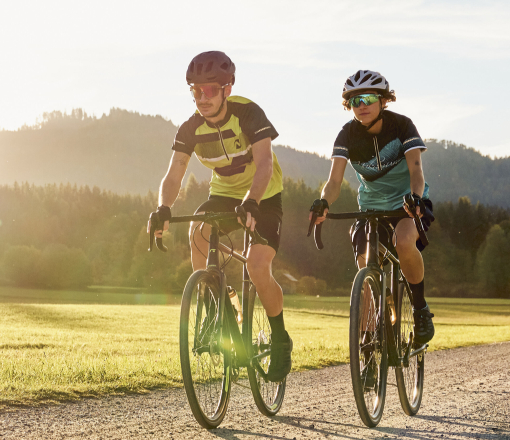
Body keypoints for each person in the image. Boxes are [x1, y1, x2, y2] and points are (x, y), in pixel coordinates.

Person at [148, 51, 291, 382]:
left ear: (227, 88)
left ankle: (281, 339)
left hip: (264, 195)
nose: (202, 98)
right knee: (197, 232)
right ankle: (216, 311)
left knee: (257, 267)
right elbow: (175, 174)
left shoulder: (248, 114)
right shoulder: (192, 128)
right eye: (195, 91)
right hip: (224, 195)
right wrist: (163, 208)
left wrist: (253, 201)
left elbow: (265, 163)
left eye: (209, 90)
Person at [309, 70, 435, 354]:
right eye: (354, 101)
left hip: (408, 203)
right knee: (366, 265)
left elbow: (416, 169)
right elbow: (334, 181)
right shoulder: (347, 134)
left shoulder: (402, 126)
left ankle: (420, 309)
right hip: (371, 208)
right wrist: (323, 202)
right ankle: (366, 342)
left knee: (404, 242)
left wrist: (415, 198)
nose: (361, 106)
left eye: (367, 98)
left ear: (383, 100)